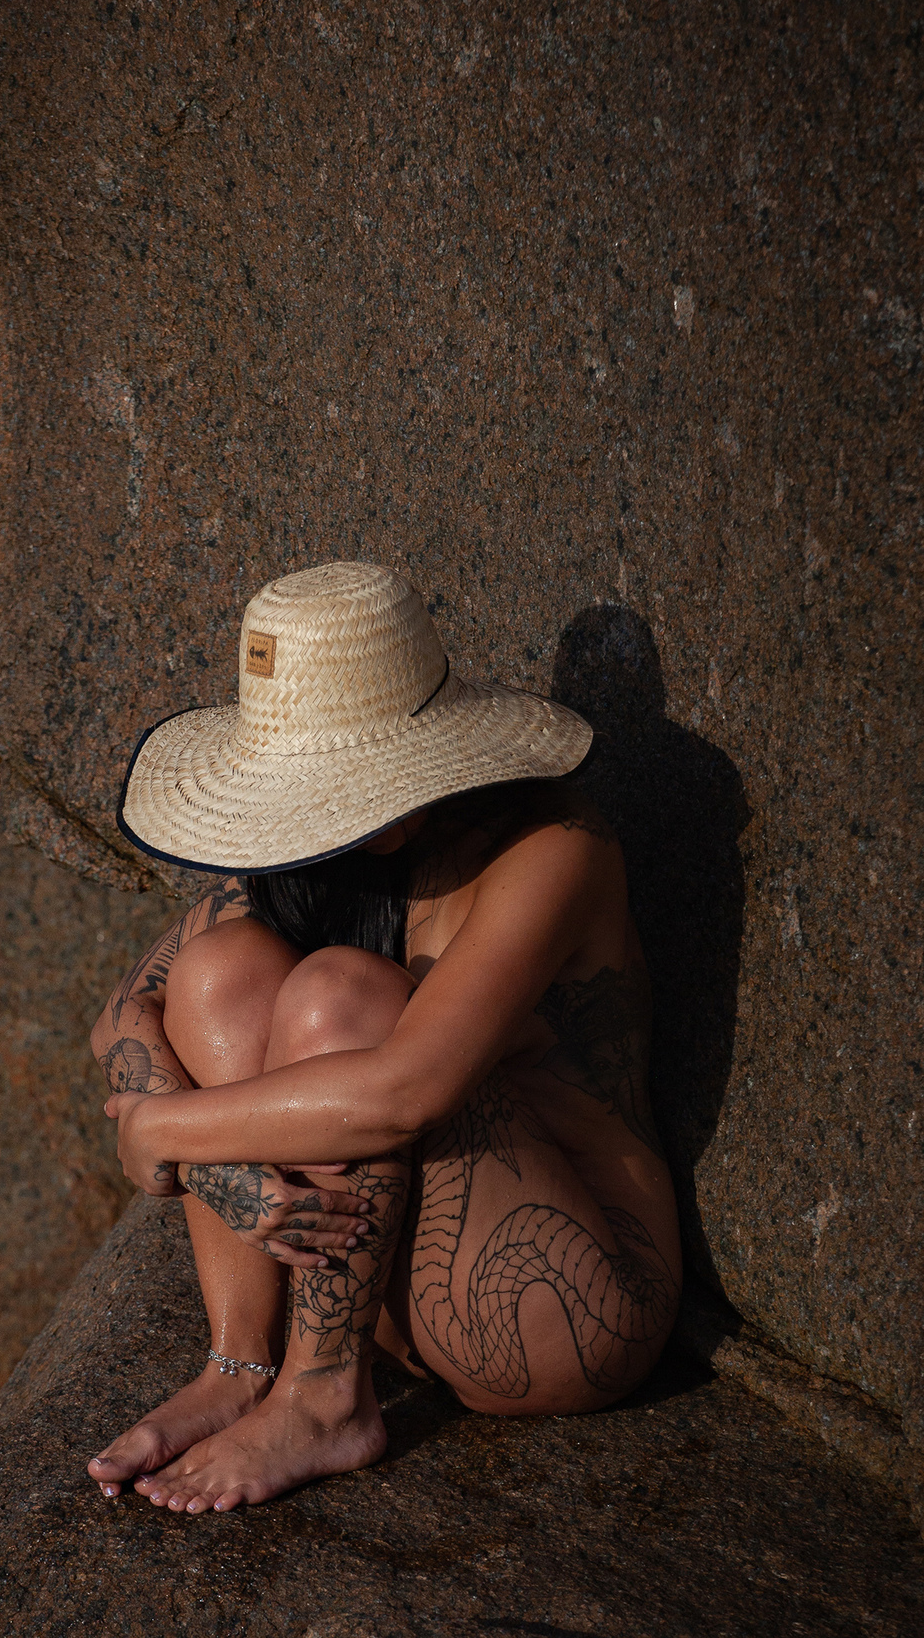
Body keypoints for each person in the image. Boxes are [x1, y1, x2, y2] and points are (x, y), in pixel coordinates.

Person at [86, 561, 680, 1515]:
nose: (302, 823)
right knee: (219, 972)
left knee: (339, 998)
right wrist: (227, 1169)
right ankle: (244, 1361)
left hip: (564, 1305)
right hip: (389, 1283)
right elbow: (127, 1012)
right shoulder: (336, 859)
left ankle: (324, 1403)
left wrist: (171, 1136)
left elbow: (412, 1089)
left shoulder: (555, 850)